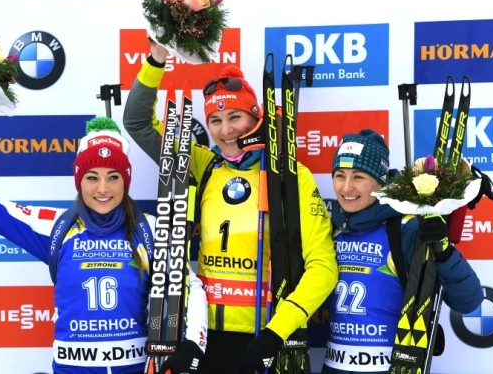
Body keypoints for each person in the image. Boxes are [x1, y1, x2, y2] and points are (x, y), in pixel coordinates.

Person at [123, 42, 338, 374]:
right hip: (203, 338)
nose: (225, 131)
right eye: (215, 120)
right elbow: (138, 123)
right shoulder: (201, 164)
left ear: (255, 115)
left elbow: (323, 269)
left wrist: (275, 333)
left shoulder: (290, 176)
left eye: (235, 117)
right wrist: (157, 59)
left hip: (264, 335)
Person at [0, 116, 208, 374]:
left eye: (113, 177)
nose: (102, 188)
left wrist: (193, 344)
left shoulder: (150, 230)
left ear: (125, 181)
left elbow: (190, 287)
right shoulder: (55, 227)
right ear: (79, 180)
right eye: (91, 177)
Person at [322, 129, 483, 374]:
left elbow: (468, 300)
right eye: (339, 175)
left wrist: (443, 251)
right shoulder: (331, 228)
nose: (346, 187)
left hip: (394, 366)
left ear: (379, 181)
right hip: (333, 366)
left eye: (358, 177)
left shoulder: (406, 228)